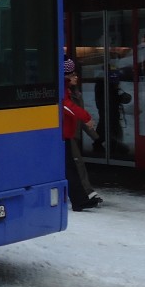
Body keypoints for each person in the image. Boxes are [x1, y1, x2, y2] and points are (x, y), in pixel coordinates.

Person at [62, 58, 103, 211]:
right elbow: (66, 106)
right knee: (73, 165)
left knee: (71, 166)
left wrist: (94, 135)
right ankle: (82, 198)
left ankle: (80, 200)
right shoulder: (64, 90)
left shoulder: (71, 90)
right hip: (63, 133)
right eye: (72, 74)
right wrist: (86, 118)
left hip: (67, 133)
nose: (76, 77)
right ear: (66, 75)